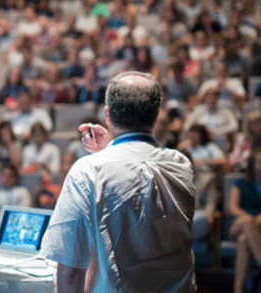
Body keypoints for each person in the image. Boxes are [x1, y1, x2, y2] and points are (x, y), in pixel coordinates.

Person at [40, 72, 196, 292]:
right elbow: (137, 176)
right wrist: (110, 149)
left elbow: (70, 270)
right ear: (155, 115)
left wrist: (107, 152)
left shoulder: (88, 171)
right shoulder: (181, 165)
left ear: (107, 115)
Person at [228, 151, 261, 292]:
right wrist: (252, 219)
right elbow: (233, 208)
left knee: (244, 240)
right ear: (251, 165)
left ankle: (238, 290)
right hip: (238, 225)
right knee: (247, 223)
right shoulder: (240, 184)